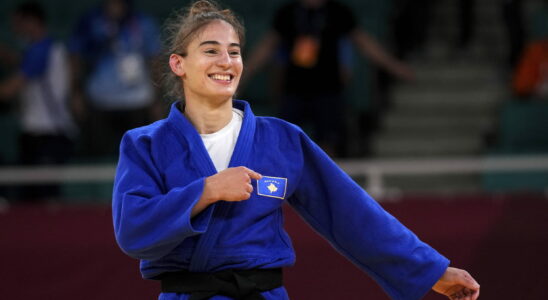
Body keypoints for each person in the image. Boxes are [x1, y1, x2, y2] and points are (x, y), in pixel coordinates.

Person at [112, 1, 480, 299]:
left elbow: (350, 212)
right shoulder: (145, 143)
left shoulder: (282, 140)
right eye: (211, 51)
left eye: (235, 52)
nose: (226, 62)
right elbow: (132, 231)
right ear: (179, 64)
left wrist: (429, 270)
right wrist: (206, 191)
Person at [244, 0, 414, 157]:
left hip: (328, 89)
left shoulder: (338, 12)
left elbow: (365, 43)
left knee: (328, 142)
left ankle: (324, 185)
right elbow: (266, 47)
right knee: (284, 140)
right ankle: (287, 184)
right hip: (293, 88)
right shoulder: (287, 13)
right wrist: (242, 75)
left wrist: (395, 67)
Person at [0, 2, 76, 201]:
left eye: (18, 24)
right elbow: (20, 61)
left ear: (32, 22)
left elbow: (9, 90)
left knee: (42, 199)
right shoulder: (46, 49)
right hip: (41, 133)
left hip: (48, 134)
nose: (15, 30)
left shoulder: (41, 50)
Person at [69, 0, 162, 157]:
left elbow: (155, 60)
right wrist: (76, 91)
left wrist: (157, 98)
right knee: (98, 156)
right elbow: (75, 56)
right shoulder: (90, 21)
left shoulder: (143, 22)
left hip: (138, 101)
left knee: (142, 157)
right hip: (100, 101)